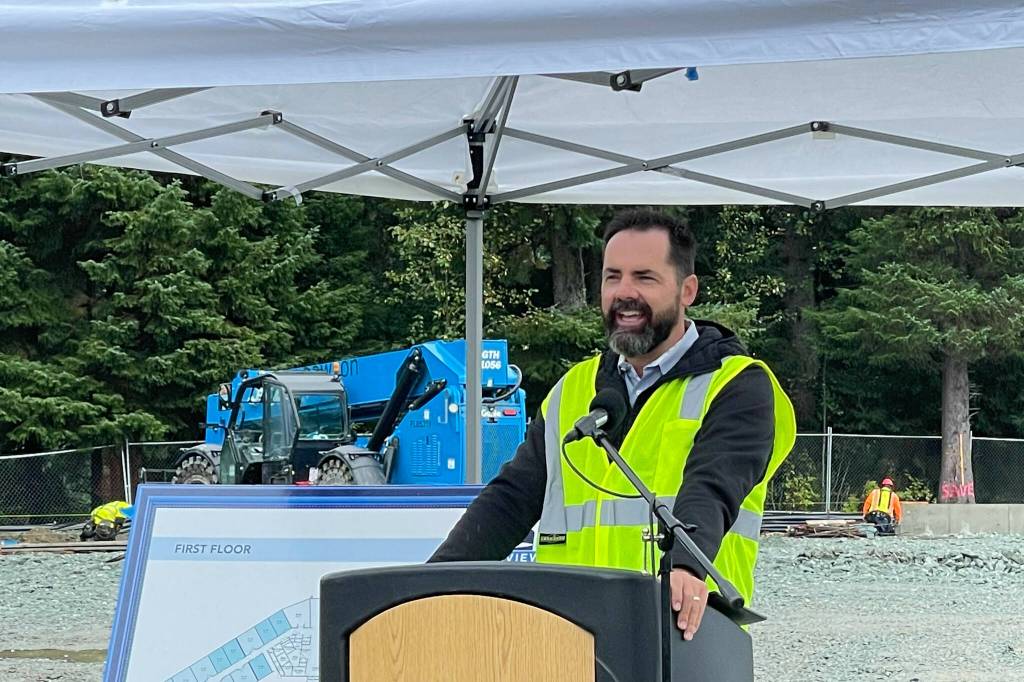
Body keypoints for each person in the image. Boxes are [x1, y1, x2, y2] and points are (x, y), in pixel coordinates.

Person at [429, 208, 796, 641]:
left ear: (687, 290)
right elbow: (510, 501)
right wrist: (432, 587)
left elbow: (715, 483)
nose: (624, 293)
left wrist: (685, 565)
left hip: (679, 632)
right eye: (612, 277)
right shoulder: (574, 388)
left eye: (644, 277)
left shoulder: (737, 384)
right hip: (568, 636)